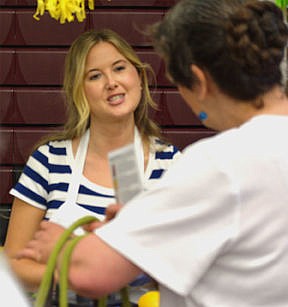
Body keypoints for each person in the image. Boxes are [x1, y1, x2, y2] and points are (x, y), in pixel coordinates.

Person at [16, 0, 288, 306]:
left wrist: (60, 247)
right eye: (94, 76)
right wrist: (140, 231)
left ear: (199, 82)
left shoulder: (213, 164)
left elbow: (91, 273)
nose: (112, 82)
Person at [3, 29, 181, 292]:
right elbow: (11, 267)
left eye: (119, 68)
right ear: (79, 92)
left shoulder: (170, 164)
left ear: (139, 77)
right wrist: (77, 273)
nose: (111, 82)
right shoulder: (49, 160)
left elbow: (183, 266)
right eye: (95, 76)